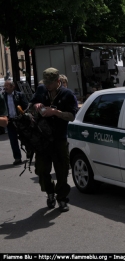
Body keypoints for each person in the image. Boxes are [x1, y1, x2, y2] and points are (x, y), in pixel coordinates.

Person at [32, 67, 78, 212]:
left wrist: (56, 112)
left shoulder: (67, 94)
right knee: (42, 170)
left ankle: (62, 198)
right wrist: (36, 106)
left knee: (62, 170)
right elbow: (31, 106)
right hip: (43, 139)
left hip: (59, 138)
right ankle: (50, 193)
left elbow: (72, 116)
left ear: (58, 81)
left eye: (50, 83)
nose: (47, 86)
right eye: (45, 83)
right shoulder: (41, 90)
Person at [2, 80, 29, 165]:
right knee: (13, 140)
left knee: (25, 138)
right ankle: (17, 158)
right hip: (10, 121)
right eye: (4, 85)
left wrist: (23, 114)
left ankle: (29, 151)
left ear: (12, 86)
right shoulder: (3, 96)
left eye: (7, 86)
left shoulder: (19, 95)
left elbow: (26, 106)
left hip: (20, 120)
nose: (5, 87)